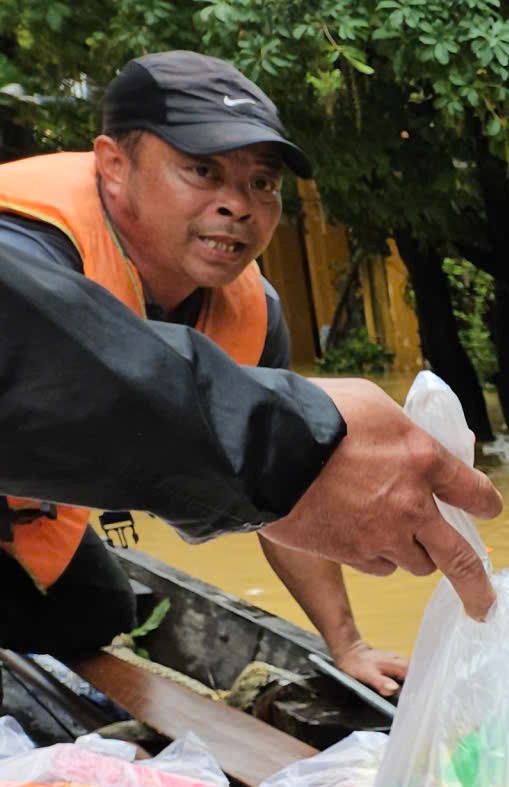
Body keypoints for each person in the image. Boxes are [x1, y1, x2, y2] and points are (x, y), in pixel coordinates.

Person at [0, 52, 443, 675]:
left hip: (32, 506)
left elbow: (288, 490)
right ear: (114, 166)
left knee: (100, 611)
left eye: (261, 183)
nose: (238, 205)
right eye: (202, 171)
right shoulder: (24, 243)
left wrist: (349, 645)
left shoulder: (253, 312)